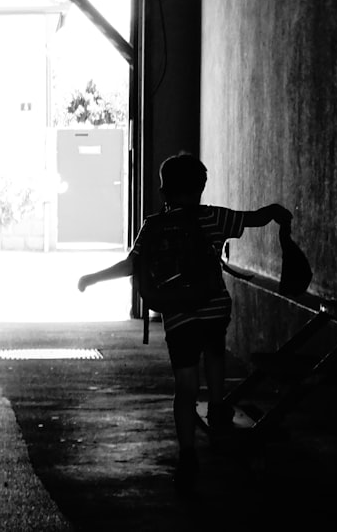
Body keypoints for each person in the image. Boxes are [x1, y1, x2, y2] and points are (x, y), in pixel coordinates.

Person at [77, 151, 292, 490]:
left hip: (178, 316)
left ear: (164, 192)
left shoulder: (153, 225)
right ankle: (219, 405)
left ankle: (188, 454)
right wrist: (276, 213)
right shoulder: (215, 218)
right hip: (214, 307)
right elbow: (254, 219)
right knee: (215, 352)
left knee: (185, 387)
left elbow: (131, 265)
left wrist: (92, 277)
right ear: (201, 186)